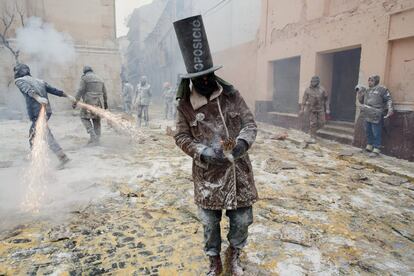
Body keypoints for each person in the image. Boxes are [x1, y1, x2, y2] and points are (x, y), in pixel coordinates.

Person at [173, 15, 258, 276]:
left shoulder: (232, 95)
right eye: (200, 77)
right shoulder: (185, 105)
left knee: (242, 220)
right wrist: (203, 151)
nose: (207, 81)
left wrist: (242, 143)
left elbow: (249, 123)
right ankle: (214, 260)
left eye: (209, 75)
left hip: (237, 173)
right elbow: (181, 136)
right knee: (210, 224)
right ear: (191, 79)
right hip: (207, 174)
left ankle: (233, 255)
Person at [14, 63, 70, 168]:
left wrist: (38, 98)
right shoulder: (40, 81)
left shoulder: (19, 81)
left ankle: (61, 157)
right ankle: (34, 156)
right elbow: (55, 91)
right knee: (34, 133)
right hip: (47, 111)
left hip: (37, 112)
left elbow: (28, 90)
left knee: (43, 134)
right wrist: (68, 96)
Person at [356, 75, 393, 157]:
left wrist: (390, 109)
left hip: (376, 113)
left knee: (376, 132)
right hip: (367, 113)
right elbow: (362, 101)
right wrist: (359, 93)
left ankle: (376, 148)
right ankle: (369, 145)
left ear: (376, 81)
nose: (369, 82)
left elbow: (388, 99)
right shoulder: (367, 90)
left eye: (372, 80)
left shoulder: (382, 89)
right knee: (368, 130)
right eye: (369, 80)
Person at [73, 66, 108, 146]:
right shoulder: (100, 78)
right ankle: (97, 139)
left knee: (83, 117)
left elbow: (80, 90)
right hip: (99, 103)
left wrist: (75, 101)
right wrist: (105, 103)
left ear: (84, 72)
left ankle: (93, 136)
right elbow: (105, 92)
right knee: (96, 120)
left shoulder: (84, 78)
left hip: (89, 102)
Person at [300, 76, 330, 142]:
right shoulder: (307, 90)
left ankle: (312, 131)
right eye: (312, 81)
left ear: (318, 82)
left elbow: (326, 99)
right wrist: (302, 109)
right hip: (312, 109)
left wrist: (327, 108)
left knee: (322, 123)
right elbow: (304, 100)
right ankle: (313, 136)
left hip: (320, 109)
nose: (313, 83)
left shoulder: (322, 89)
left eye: (315, 81)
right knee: (313, 123)